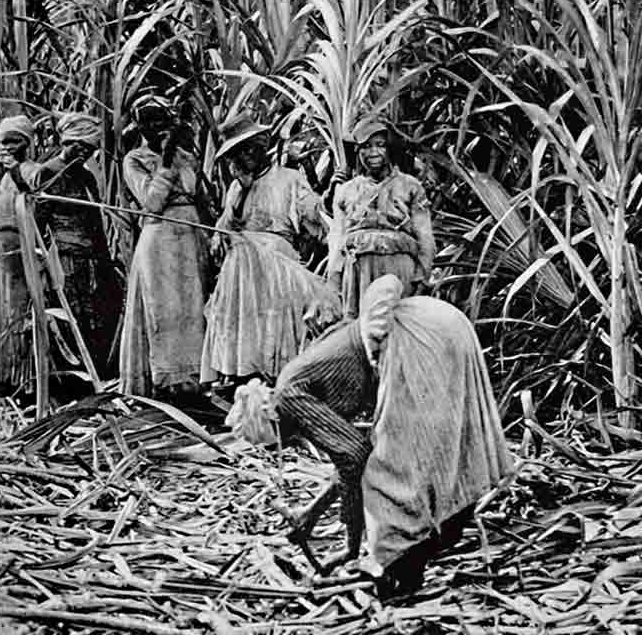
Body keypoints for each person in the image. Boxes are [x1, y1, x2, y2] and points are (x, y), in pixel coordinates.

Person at [264, 274, 512, 598]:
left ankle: (396, 568)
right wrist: (313, 514)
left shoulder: (289, 398)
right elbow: (348, 458)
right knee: (444, 442)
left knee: (392, 469)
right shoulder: (295, 376)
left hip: (413, 341)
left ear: (274, 424)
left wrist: (352, 547)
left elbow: (354, 458)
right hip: (436, 322)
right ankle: (444, 529)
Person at [200, 113, 336, 388]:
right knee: (245, 309)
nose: (246, 156)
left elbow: (314, 215)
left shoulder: (289, 178)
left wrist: (331, 194)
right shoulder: (237, 187)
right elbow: (224, 231)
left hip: (277, 262)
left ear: (263, 145)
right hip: (242, 267)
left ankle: (276, 375)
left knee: (278, 316)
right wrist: (242, 192)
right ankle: (244, 375)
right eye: (238, 152)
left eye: (250, 148)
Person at [120, 98, 211, 399]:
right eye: (148, 121)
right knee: (164, 309)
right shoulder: (135, 159)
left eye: (160, 119)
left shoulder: (187, 156)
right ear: (139, 125)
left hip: (190, 237)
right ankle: (168, 382)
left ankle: (195, 380)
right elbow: (152, 201)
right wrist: (167, 162)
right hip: (160, 239)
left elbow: (197, 195)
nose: (155, 126)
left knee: (192, 307)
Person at [36, 113, 121, 377]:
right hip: (66, 258)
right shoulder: (48, 172)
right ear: (66, 141)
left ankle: (98, 372)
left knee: (97, 315)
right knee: (72, 315)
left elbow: (95, 222)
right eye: (80, 146)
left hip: (92, 257)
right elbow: (38, 222)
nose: (85, 153)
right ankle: (75, 377)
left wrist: (106, 259)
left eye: (91, 149)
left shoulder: (86, 177)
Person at [327, 120, 436, 317]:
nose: (373, 153)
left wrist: (422, 275)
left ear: (389, 148)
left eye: (380, 145)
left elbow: (425, 235)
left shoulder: (410, 186)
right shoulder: (346, 191)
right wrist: (334, 278)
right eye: (366, 147)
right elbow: (336, 238)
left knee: (398, 324)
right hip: (359, 270)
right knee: (360, 326)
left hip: (398, 267)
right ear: (358, 152)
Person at [0, 115, 44, 396]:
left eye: (14, 141)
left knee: (18, 310)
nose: (8, 147)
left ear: (26, 143)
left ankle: (21, 379)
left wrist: (15, 174)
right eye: (4, 142)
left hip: (21, 243)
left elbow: (34, 203)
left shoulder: (34, 170)